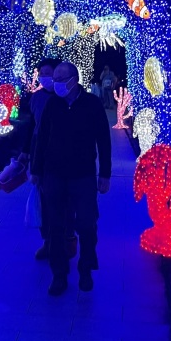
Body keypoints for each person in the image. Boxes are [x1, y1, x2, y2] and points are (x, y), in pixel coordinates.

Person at [31, 61, 112, 295]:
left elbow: (103, 141)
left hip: (83, 175)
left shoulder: (91, 105)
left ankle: (85, 268)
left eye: (60, 79)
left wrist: (104, 174)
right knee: (55, 226)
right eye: (53, 79)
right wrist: (36, 170)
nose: (55, 83)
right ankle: (59, 274)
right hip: (53, 175)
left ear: (74, 80)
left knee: (87, 223)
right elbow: (42, 137)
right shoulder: (52, 104)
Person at [17, 58, 72, 260]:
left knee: (62, 199)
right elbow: (32, 124)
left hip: (61, 153)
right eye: (41, 73)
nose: (44, 77)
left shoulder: (67, 97)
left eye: (48, 73)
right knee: (42, 198)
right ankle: (48, 242)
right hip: (39, 151)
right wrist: (25, 151)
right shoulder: (37, 97)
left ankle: (65, 239)